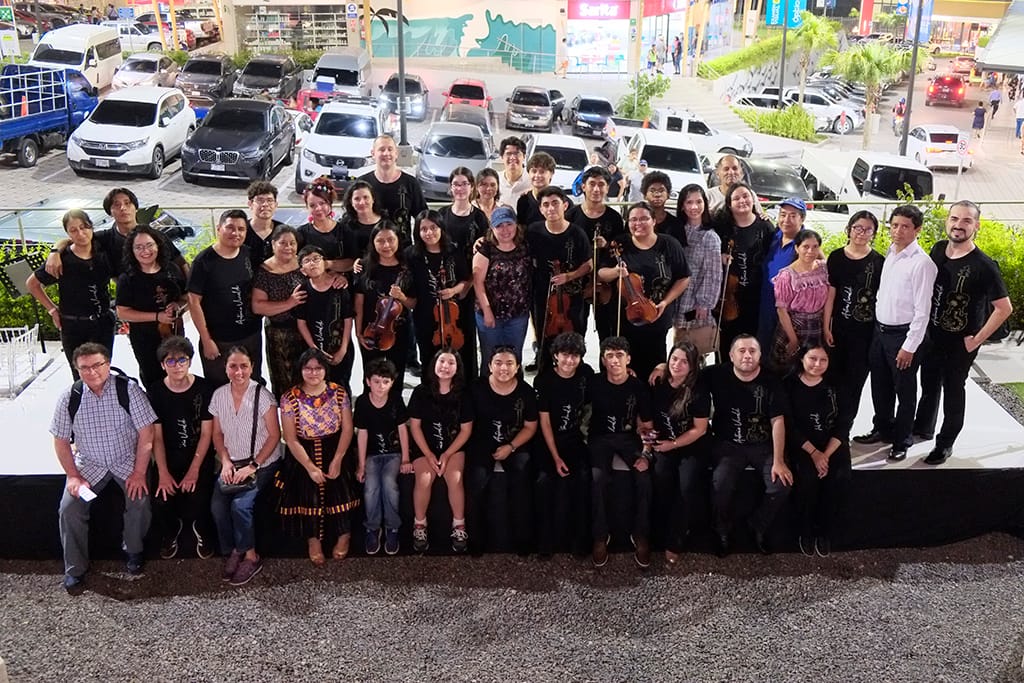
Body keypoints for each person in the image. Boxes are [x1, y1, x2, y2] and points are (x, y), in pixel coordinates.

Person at [50, 342, 156, 592]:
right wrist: (73, 476)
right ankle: (75, 569)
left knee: (139, 499)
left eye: (97, 365)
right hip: (89, 464)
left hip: (126, 460)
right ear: (77, 369)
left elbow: (147, 433)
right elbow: (60, 440)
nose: (92, 372)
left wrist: (139, 472)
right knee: (69, 508)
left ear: (108, 364)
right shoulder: (69, 397)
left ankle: (133, 550)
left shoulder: (128, 390)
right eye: (84, 367)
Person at [913, 200, 1012, 465]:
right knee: (929, 384)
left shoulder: (984, 265)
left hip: (961, 343)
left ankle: (945, 443)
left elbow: (1004, 308)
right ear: (947, 221)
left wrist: (977, 340)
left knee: (954, 391)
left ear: (976, 226)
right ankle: (923, 428)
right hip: (932, 336)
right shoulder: (938, 250)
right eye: (954, 218)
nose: (959, 225)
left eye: (967, 220)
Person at [853, 205, 938, 461]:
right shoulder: (891, 252)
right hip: (880, 332)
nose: (898, 231)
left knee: (905, 391)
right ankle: (882, 428)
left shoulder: (922, 263)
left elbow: (923, 311)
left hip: (903, 336)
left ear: (917, 230)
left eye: (905, 226)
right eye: (895, 225)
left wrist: (909, 346)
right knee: (880, 386)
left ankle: (902, 440)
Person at [706, 335, 792, 556]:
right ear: (731, 355)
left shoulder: (771, 381)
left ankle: (758, 525)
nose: (747, 356)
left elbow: (778, 421)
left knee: (780, 485)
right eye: (742, 351)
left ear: (760, 355)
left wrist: (779, 460)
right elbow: (687, 373)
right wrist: (661, 367)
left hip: (762, 445)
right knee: (720, 485)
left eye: (752, 351)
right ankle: (722, 529)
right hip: (727, 444)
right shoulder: (717, 374)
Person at [276, 348, 358, 564]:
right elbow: (290, 438)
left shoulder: (338, 392)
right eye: (308, 368)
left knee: (341, 487)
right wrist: (310, 467)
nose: (313, 373)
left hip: (336, 447)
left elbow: (347, 430)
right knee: (307, 490)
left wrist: (338, 459)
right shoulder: (289, 398)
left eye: (318, 368)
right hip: (303, 452)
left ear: (325, 370)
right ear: (300, 370)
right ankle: (313, 539)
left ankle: (344, 534)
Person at [209, 346, 282, 586]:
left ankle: (251, 556)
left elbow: (274, 436)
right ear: (226, 368)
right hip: (232, 462)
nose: (238, 371)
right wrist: (225, 461)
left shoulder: (263, 396)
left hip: (261, 463)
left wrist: (253, 465)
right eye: (233, 366)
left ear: (252, 368)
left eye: (244, 366)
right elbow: (217, 434)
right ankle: (234, 550)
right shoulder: (219, 395)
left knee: (240, 506)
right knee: (218, 505)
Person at [596, 201, 690, 381]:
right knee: (626, 364)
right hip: (625, 317)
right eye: (633, 219)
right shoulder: (620, 243)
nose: (638, 223)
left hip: (657, 315)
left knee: (655, 365)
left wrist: (665, 302)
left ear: (654, 221)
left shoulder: (669, 244)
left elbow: (684, 277)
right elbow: (601, 273)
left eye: (644, 219)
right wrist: (616, 271)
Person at [588, 336, 654, 569]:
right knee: (597, 480)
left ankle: (641, 534)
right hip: (600, 438)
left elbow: (648, 425)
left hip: (628, 439)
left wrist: (646, 454)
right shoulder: (594, 383)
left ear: (628, 359)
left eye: (619, 355)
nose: (614, 361)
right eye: (609, 356)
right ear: (603, 360)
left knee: (644, 478)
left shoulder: (638, 387)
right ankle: (600, 536)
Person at [466, 346, 538, 555]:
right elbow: (468, 425)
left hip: (514, 443)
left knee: (522, 481)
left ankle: (523, 539)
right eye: (498, 363)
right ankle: (476, 540)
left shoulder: (526, 392)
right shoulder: (476, 389)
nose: (503, 368)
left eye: (509, 364)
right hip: (482, 443)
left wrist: (511, 446)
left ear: (517, 368)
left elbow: (530, 426)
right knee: (476, 482)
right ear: (489, 366)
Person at [148, 336, 215, 561]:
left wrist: (194, 470)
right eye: (170, 361)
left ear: (190, 361)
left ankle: (201, 529)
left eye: (182, 360)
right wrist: (163, 472)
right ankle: (171, 531)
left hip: (198, 456)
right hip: (169, 456)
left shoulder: (204, 388)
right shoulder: (156, 391)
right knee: (161, 498)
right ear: (162, 365)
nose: (177, 366)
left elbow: (206, 434)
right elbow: (157, 437)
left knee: (199, 496)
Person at [26, 210, 114, 381]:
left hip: (103, 323)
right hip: (74, 326)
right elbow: (32, 284)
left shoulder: (102, 249)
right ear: (67, 233)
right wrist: (52, 310)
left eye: (84, 227)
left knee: (103, 373)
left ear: (91, 227)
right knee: (81, 376)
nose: (80, 233)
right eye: (73, 230)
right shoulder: (62, 259)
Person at [783, 344, 852, 557]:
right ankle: (804, 530)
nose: (817, 364)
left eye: (823, 360)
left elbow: (844, 424)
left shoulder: (838, 385)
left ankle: (824, 531)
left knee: (839, 478)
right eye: (813, 359)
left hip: (832, 445)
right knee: (807, 479)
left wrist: (825, 455)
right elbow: (789, 426)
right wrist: (814, 453)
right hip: (802, 445)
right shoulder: (788, 384)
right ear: (802, 359)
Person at [648, 341, 710, 565]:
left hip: (690, 445)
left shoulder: (699, 390)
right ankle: (659, 531)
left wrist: (672, 444)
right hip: (664, 441)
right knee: (661, 480)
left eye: (684, 362)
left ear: (692, 366)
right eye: (674, 359)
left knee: (686, 486)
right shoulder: (658, 381)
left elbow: (700, 429)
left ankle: (676, 539)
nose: (677, 365)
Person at [533, 331, 594, 557]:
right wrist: (556, 457)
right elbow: (545, 422)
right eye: (565, 355)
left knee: (584, 479)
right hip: (549, 441)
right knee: (543, 482)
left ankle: (580, 541)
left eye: (575, 356)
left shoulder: (586, 374)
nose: (569, 360)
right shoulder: (544, 380)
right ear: (556, 356)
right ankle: (544, 542)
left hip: (576, 440)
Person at [408, 348, 473, 553]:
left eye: (451, 363)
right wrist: (428, 454)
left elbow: (466, 430)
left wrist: (446, 454)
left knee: (454, 478)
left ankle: (459, 525)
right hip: (425, 446)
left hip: (452, 447)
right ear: (433, 365)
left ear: (457, 368)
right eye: (441, 361)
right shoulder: (421, 392)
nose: (445, 366)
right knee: (424, 479)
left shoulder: (464, 394)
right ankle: (420, 524)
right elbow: (415, 426)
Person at [187, 209, 262, 387]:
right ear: (219, 228)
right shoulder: (203, 262)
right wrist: (206, 340)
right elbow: (193, 302)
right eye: (230, 228)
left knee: (252, 384)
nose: (236, 233)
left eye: (241, 229)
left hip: (251, 335)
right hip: (219, 340)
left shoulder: (248, 254)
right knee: (220, 389)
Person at [44, 187, 188, 280]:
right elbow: (75, 239)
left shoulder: (155, 235)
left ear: (136, 208)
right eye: (116, 205)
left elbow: (181, 262)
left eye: (127, 203)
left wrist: (190, 294)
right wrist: (54, 252)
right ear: (110, 212)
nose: (123, 208)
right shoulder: (105, 238)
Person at [115, 225, 188, 392]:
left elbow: (186, 298)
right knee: (153, 380)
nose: (145, 251)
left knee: (178, 374)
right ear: (131, 250)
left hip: (174, 334)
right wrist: (157, 316)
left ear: (158, 245)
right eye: (139, 247)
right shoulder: (128, 278)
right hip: (145, 339)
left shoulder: (172, 269)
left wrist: (178, 305)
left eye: (149, 245)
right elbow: (122, 312)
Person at [823, 211, 885, 411]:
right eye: (858, 227)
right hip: (838, 329)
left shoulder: (879, 262)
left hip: (864, 333)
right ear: (849, 229)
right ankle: (828, 420)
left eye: (868, 229)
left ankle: (845, 424)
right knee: (832, 377)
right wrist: (826, 326)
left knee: (854, 381)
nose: (862, 232)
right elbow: (831, 294)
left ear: (873, 233)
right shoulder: (836, 257)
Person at [527, 185, 591, 370]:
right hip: (543, 296)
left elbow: (588, 265)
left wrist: (569, 276)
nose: (551, 208)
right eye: (546, 205)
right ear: (541, 209)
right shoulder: (534, 231)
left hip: (572, 297)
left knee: (574, 339)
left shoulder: (577, 233)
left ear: (565, 205)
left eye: (555, 203)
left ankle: (575, 376)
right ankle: (545, 375)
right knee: (544, 337)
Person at [407, 209, 474, 380]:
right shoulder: (411, 255)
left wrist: (453, 290)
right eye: (423, 229)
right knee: (428, 358)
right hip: (425, 316)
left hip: (454, 316)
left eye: (433, 228)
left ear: (441, 228)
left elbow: (466, 280)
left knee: (458, 358)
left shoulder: (453, 251)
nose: (429, 233)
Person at [354, 358, 411, 555]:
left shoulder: (395, 400)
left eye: (386, 382)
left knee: (389, 483)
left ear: (392, 383)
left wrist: (406, 458)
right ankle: (372, 527)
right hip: (372, 454)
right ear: (368, 381)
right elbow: (362, 434)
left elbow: (402, 430)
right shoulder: (362, 402)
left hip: (394, 453)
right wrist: (361, 465)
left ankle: (392, 527)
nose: (381, 386)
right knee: (371, 486)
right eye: (376, 381)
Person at [564, 165, 626, 339]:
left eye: (601, 184)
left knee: (607, 330)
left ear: (607, 188)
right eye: (592, 184)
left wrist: (607, 245)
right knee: (576, 328)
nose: (596, 189)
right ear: (583, 186)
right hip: (577, 281)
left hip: (604, 283)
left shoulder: (614, 218)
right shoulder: (571, 216)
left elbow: (620, 250)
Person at [715, 182, 774, 356]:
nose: (742, 201)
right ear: (729, 204)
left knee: (752, 339)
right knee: (726, 342)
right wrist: (720, 256)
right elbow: (709, 251)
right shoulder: (721, 226)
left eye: (746, 196)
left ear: (753, 199)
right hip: (728, 295)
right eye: (736, 198)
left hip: (756, 294)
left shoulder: (765, 226)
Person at [353, 222, 414, 388]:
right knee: (370, 375)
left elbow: (413, 303)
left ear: (398, 240)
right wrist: (358, 332)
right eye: (380, 241)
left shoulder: (407, 267)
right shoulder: (363, 266)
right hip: (370, 330)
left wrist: (402, 297)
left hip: (398, 330)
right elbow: (359, 301)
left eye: (391, 240)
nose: (386, 245)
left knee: (396, 375)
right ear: (373, 242)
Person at [472, 206, 532, 369]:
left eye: (509, 224)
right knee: (491, 358)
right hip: (490, 314)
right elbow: (478, 283)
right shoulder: (485, 248)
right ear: (492, 228)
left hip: (518, 314)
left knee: (515, 357)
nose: (505, 230)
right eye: (499, 225)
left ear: (516, 225)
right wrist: (487, 312)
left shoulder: (525, 246)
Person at [251, 225, 307, 399]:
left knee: (310, 376)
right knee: (285, 381)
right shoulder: (265, 271)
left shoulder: (304, 263)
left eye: (292, 243)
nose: (288, 247)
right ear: (273, 244)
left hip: (308, 330)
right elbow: (257, 306)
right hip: (280, 334)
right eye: (283, 243)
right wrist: (290, 303)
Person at [295, 245, 355, 388]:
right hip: (314, 348)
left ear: (324, 262)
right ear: (302, 270)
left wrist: (343, 349)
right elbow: (301, 322)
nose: (313, 263)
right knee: (317, 387)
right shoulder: (302, 290)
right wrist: (313, 349)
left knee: (341, 386)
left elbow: (348, 320)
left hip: (340, 348)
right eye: (307, 260)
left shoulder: (339, 286)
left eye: (316, 258)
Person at [673, 184, 722, 355]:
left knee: (695, 348)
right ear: (682, 205)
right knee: (679, 344)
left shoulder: (710, 236)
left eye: (699, 202)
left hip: (695, 299)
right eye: (689, 202)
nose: (694, 207)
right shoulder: (677, 230)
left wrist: (705, 302)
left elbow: (713, 274)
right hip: (677, 295)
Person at [770, 229, 829, 371]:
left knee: (813, 369)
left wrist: (826, 328)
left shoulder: (824, 269)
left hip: (817, 326)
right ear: (797, 248)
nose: (810, 251)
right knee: (788, 369)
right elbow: (781, 310)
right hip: (794, 327)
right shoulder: (786, 276)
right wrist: (793, 339)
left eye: (815, 247)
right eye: (805, 247)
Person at [758, 197, 804, 350]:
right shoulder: (776, 234)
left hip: (788, 312)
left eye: (793, 216)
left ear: (802, 219)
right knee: (763, 349)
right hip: (766, 304)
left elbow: (822, 266)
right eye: (783, 214)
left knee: (783, 354)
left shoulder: (805, 243)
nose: (786, 220)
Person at [363, 134, 427, 243]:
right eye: (381, 149)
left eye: (390, 149)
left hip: (403, 249)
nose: (386, 153)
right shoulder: (363, 183)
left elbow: (422, 219)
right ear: (373, 154)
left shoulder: (410, 183)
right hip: (369, 248)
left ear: (396, 153)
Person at [296, 176, 357, 277]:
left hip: (341, 282)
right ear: (307, 207)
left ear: (330, 203)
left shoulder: (345, 230)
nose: (318, 208)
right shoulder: (301, 233)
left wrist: (327, 264)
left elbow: (352, 262)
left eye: (322, 203)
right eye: (312, 205)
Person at [245, 180, 287, 272]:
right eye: (260, 200)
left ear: (276, 205)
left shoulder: (283, 231)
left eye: (269, 200)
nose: (265, 204)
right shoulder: (242, 231)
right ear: (250, 204)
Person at [339, 179, 383, 260]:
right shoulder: (345, 225)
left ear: (373, 199)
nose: (362, 202)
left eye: (366, 197)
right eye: (357, 199)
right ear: (351, 202)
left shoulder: (385, 222)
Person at [515, 152, 556, 227]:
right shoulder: (523, 201)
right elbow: (521, 229)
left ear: (551, 174)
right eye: (534, 171)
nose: (537, 175)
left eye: (542, 172)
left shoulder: (561, 201)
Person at [643, 171, 684, 243]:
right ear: (645, 195)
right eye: (652, 191)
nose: (657, 195)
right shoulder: (636, 222)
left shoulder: (676, 224)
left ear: (668, 194)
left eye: (661, 190)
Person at [497, 136, 531, 209]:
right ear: (502, 157)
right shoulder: (495, 180)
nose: (512, 157)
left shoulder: (532, 181)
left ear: (524, 156)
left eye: (516, 154)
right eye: (508, 154)